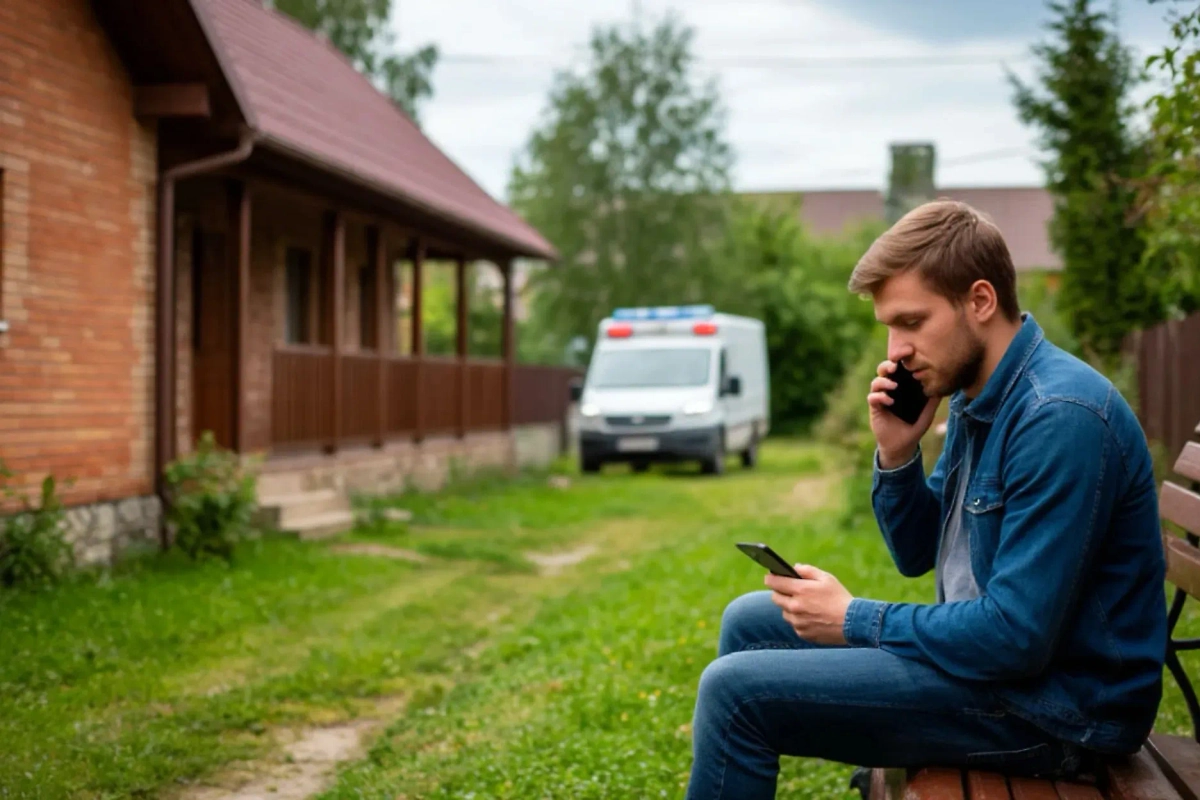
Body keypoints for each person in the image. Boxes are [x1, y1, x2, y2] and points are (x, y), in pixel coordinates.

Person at [684, 200, 1167, 800]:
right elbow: (917, 552)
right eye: (890, 326)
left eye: (912, 322)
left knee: (736, 694)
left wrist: (852, 619)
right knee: (749, 621)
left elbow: (1016, 636)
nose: (896, 349)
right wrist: (897, 454)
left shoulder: (1057, 417)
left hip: (1057, 711)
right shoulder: (977, 393)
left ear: (981, 301)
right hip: (1000, 675)